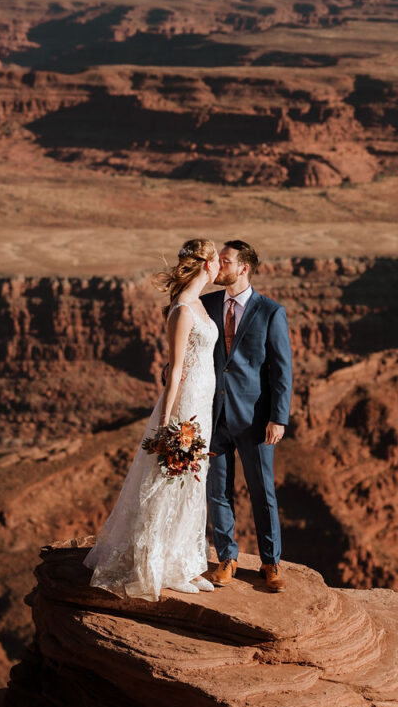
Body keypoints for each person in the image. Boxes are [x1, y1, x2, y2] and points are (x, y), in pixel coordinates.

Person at [83, 238, 220, 598]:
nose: (221, 264)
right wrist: (167, 421)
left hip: (204, 402)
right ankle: (161, 566)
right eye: (218, 258)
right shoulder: (183, 310)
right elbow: (175, 371)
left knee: (194, 481)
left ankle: (186, 563)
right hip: (186, 404)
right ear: (207, 265)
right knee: (173, 479)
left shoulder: (200, 306)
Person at [203, 240, 293, 592]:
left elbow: (280, 371)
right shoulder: (207, 304)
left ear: (243, 268)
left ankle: (270, 564)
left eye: (224, 261)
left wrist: (278, 417)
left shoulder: (270, 312)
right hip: (213, 415)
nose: (217, 267)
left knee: (261, 492)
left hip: (255, 420)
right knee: (218, 490)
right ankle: (227, 558)